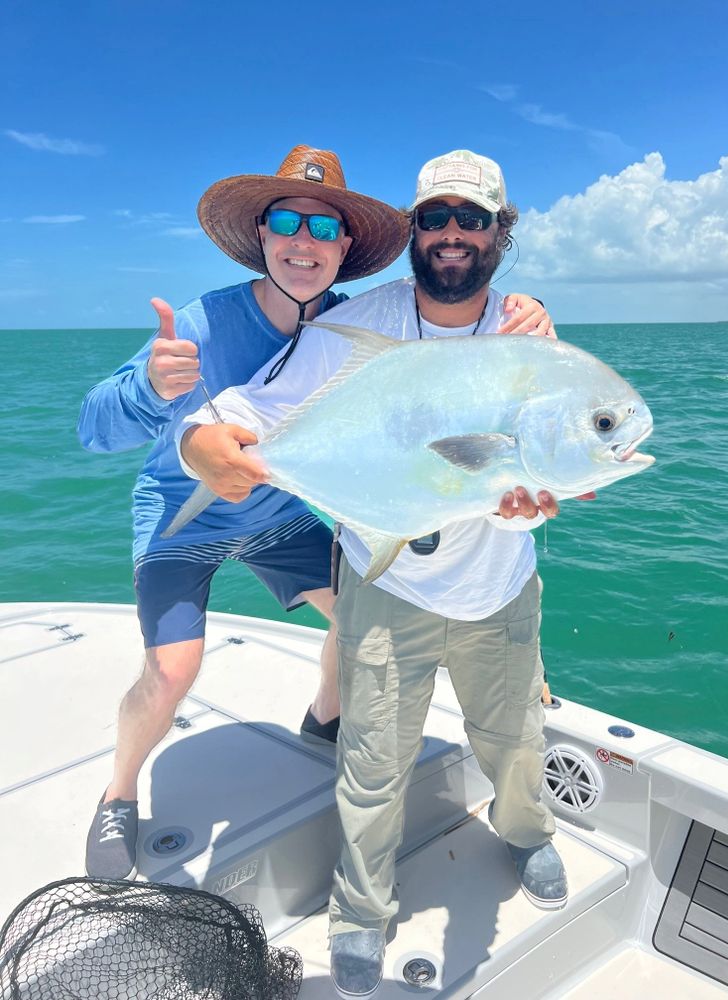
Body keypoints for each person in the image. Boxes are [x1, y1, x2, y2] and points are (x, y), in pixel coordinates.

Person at [77, 144, 549, 884]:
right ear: (260, 236)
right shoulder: (199, 323)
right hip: (183, 516)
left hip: (282, 511)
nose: (305, 242)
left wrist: (526, 314)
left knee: (355, 616)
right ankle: (119, 790)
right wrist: (150, 388)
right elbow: (92, 429)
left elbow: (455, 322)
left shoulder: (351, 324)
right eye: (288, 222)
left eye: (324, 229)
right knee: (173, 672)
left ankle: (323, 715)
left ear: (346, 249)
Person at [178, 149, 568, 999]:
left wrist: (535, 502)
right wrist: (202, 441)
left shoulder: (527, 336)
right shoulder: (361, 324)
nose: (453, 234)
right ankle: (360, 912)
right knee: (373, 762)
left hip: (499, 590)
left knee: (512, 742)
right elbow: (248, 411)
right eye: (436, 217)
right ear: (414, 231)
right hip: (385, 585)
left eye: (473, 217)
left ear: (501, 232)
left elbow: (551, 463)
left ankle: (527, 830)